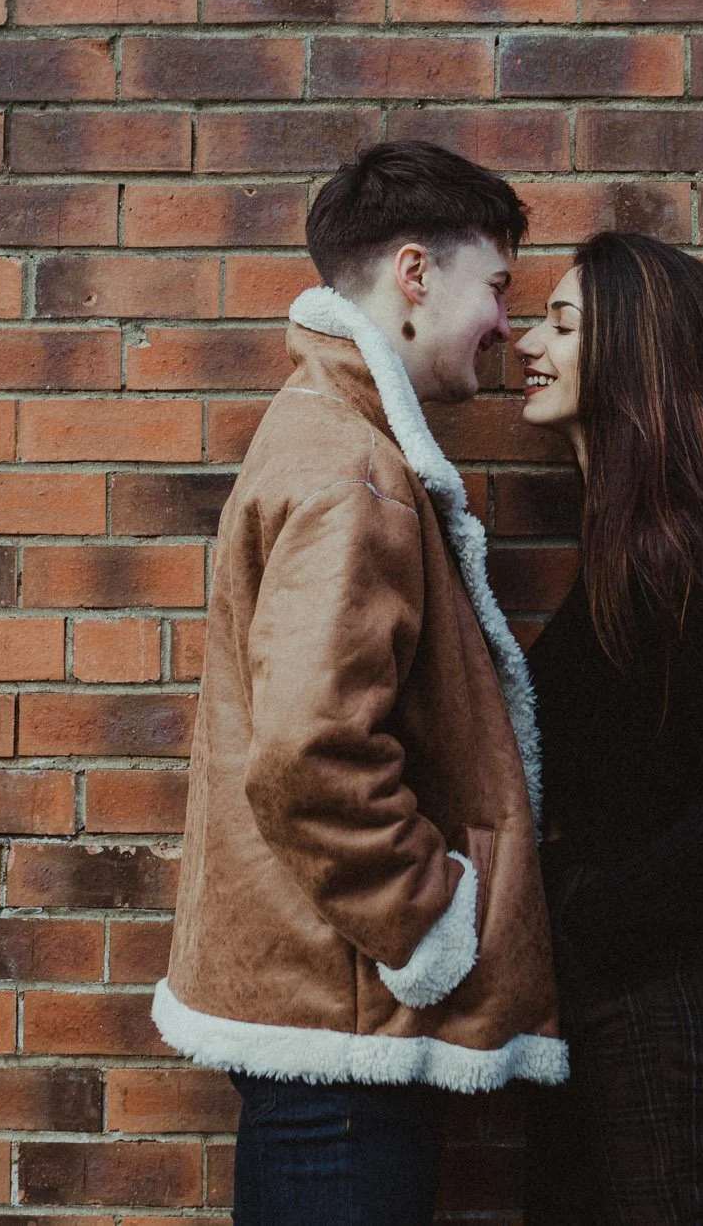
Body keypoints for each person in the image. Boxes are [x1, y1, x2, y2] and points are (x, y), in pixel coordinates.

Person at [150, 140, 566, 1226]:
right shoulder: (350, 468)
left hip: (325, 1017)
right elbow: (307, 752)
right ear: (415, 274)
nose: (506, 325)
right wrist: (429, 920)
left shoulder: (332, 439)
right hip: (343, 1028)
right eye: (498, 287)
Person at [511, 231, 703, 1226]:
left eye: (560, 323)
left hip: (659, 995)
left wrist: (593, 916)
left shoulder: (670, 552)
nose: (526, 342)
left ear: (629, 353)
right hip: (616, 988)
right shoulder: (631, 542)